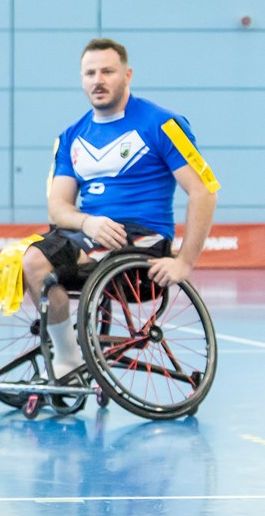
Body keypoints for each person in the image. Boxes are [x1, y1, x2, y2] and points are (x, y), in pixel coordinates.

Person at [20, 37, 219, 377]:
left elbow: (204, 191)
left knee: (38, 259)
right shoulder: (71, 136)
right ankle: (69, 355)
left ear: (127, 75)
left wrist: (185, 261)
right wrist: (89, 223)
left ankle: (68, 361)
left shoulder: (163, 124)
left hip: (142, 240)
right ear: (81, 80)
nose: (98, 80)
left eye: (107, 71)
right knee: (25, 262)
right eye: (90, 73)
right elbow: (58, 208)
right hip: (91, 235)